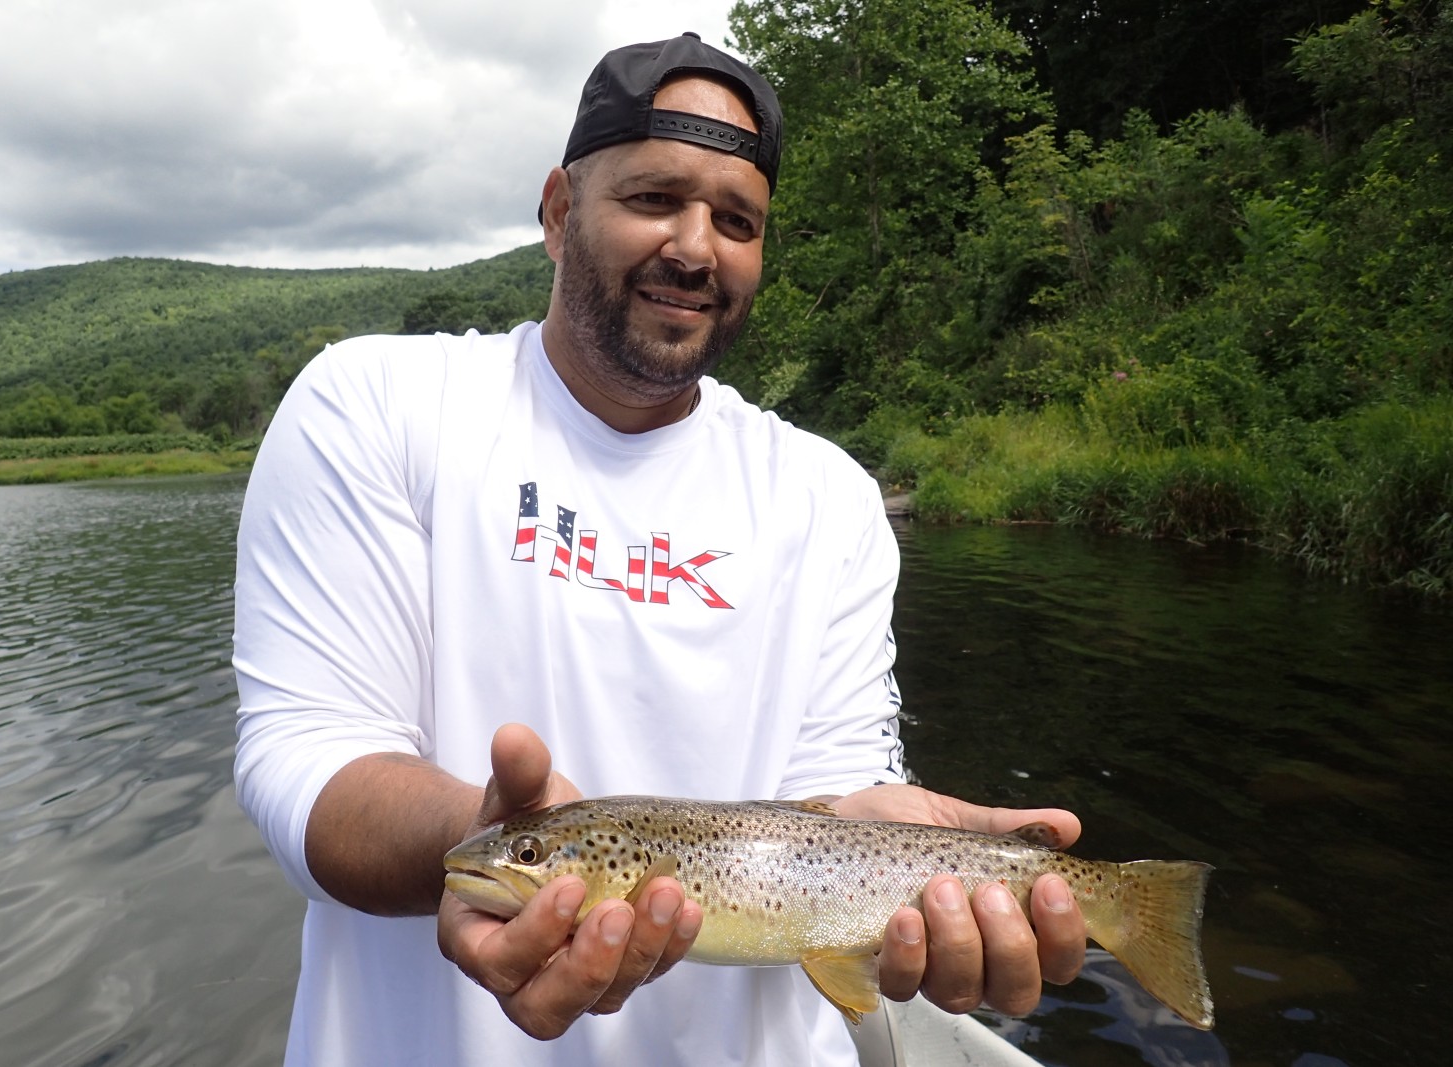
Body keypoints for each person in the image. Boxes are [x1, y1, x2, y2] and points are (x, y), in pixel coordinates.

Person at [233, 32, 1087, 1067]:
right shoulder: (375, 406)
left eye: (737, 220)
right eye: (654, 198)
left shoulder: (825, 494)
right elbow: (303, 756)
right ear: (558, 211)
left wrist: (906, 844)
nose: (695, 245)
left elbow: (839, 781)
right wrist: (489, 839)